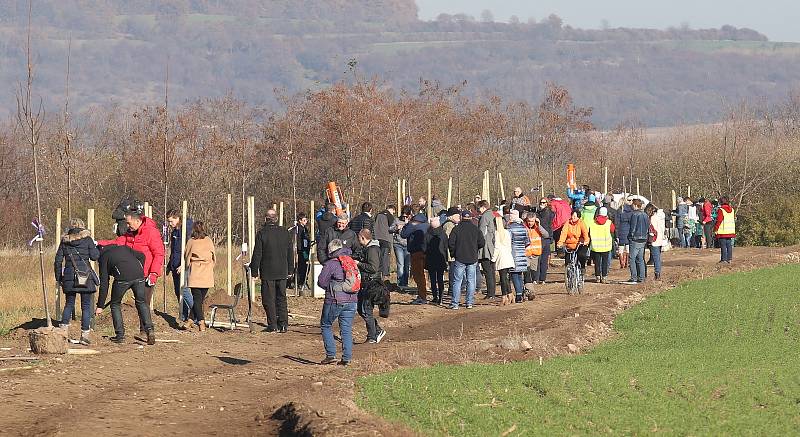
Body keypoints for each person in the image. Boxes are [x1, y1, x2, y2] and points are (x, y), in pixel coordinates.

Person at [98, 201, 164, 334]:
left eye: (128, 223)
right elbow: (117, 243)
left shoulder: (151, 232)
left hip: (146, 274)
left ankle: (145, 330)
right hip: (132, 272)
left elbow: (159, 253)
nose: (127, 226)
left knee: (143, 302)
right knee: (140, 302)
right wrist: (99, 243)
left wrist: (154, 273)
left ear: (136, 220)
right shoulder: (129, 233)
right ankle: (145, 330)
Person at [94, 245, 155, 345]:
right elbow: (142, 256)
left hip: (122, 279)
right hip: (139, 275)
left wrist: (100, 306)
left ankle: (120, 335)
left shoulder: (103, 257)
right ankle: (149, 329)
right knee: (142, 302)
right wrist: (140, 269)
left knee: (115, 304)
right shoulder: (124, 248)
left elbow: (104, 284)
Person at [54, 219, 100, 345]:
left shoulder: (65, 241)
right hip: (85, 276)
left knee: (69, 304)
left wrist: (59, 278)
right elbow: (95, 256)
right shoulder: (88, 239)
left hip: (69, 277)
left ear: (70, 227)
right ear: (82, 227)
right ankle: (84, 336)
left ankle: (62, 334)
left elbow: (58, 261)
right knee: (86, 307)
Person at [251, 209, 295, 333]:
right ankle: (283, 324)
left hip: (268, 272)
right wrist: (291, 269)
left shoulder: (262, 233)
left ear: (266, 219)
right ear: (276, 219)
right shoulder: (284, 232)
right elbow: (290, 252)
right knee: (282, 297)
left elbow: (257, 253)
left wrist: (254, 271)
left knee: (269, 299)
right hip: (282, 271)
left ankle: (273, 325)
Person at [317, 239, 358, 366]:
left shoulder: (331, 264)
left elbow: (321, 282)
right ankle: (347, 357)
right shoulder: (351, 262)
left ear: (331, 251)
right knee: (346, 328)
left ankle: (331, 355)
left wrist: (330, 287)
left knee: (326, 325)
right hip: (352, 300)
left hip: (335, 300)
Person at [448, 210, 485, 310]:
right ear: (471, 218)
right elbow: (482, 242)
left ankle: (455, 303)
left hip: (459, 257)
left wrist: (454, 253)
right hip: (472, 257)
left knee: (457, 281)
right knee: (471, 281)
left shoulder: (456, 229)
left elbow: (451, 243)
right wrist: (475, 248)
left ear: (461, 217)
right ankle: (469, 303)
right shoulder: (475, 229)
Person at [183, 221, 215, 332]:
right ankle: (191, 320)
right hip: (206, 272)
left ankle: (200, 322)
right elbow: (213, 256)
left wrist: (189, 265)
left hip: (195, 272)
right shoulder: (209, 240)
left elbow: (186, 256)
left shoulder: (191, 241)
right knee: (199, 299)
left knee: (197, 299)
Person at [355, 229, 385, 344]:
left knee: (366, 309)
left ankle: (372, 336)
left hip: (372, 283)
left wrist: (359, 264)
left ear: (363, 237)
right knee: (361, 309)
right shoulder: (367, 249)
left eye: (359, 238)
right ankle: (376, 330)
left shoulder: (372, 250)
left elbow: (373, 268)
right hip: (366, 283)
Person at [166, 210, 193, 325]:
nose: (170, 224)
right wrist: (169, 265)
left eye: (171, 221)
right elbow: (173, 251)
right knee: (178, 291)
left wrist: (184, 264)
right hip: (175, 266)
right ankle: (184, 316)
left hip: (184, 266)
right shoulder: (174, 232)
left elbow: (189, 250)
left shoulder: (185, 231)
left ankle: (196, 314)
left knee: (185, 290)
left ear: (177, 218)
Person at [401, 213, 430, 304]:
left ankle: (422, 297)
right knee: (422, 275)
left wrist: (407, 224)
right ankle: (423, 295)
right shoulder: (427, 226)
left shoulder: (414, 226)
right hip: (426, 252)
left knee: (418, 275)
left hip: (416, 252)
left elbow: (403, 234)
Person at [506, 210, 530, 303]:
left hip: (513, 253)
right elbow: (528, 242)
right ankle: (521, 292)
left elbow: (508, 241)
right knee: (519, 274)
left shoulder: (509, 228)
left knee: (514, 274)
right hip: (522, 253)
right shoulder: (524, 228)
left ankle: (519, 295)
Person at [424, 217, 448, 305]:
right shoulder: (443, 234)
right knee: (440, 278)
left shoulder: (427, 235)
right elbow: (446, 247)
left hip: (430, 259)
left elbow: (424, 248)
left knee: (433, 279)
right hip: (441, 259)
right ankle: (441, 297)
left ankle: (435, 296)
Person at [625, 199, 650, 284]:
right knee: (640, 258)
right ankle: (642, 277)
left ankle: (634, 277)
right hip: (643, 238)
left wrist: (630, 236)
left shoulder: (635, 214)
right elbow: (647, 227)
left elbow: (633, 227)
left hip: (635, 238)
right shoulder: (645, 215)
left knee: (632, 258)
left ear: (635, 205)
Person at [477, 200, 497, 299]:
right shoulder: (493, 215)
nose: (478, 210)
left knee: (487, 271)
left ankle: (490, 293)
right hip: (492, 246)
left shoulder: (484, 217)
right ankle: (492, 291)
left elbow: (481, 233)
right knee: (491, 270)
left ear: (483, 207)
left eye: (479, 208)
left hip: (485, 248)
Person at [588, 207, 615, 283]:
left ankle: (597, 277)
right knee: (605, 262)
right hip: (606, 246)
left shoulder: (592, 222)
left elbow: (589, 232)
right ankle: (604, 277)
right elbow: (613, 230)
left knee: (597, 262)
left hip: (595, 246)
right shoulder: (609, 222)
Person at [493, 215, 515, 305]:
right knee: (505, 278)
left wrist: (493, 258)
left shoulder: (497, 233)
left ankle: (504, 296)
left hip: (501, 258)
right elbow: (510, 245)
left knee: (503, 278)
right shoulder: (507, 232)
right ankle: (510, 295)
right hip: (508, 256)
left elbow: (497, 247)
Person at [390, 207, 412, 287]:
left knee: (407, 265)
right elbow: (390, 229)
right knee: (400, 264)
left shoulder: (411, 221)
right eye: (403, 216)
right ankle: (400, 283)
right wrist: (396, 228)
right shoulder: (396, 220)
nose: (404, 218)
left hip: (408, 245)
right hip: (398, 244)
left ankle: (405, 283)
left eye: (406, 216)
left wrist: (407, 224)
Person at [373, 205, 396, 281]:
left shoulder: (378, 215)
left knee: (378, 257)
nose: (393, 213)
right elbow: (393, 227)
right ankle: (385, 275)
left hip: (376, 238)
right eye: (393, 211)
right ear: (392, 209)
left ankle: (377, 274)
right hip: (386, 239)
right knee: (385, 257)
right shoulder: (389, 216)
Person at [535, 198, 554, 284]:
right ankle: (539, 278)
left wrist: (537, 217)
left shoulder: (547, 212)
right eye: (540, 202)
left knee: (542, 259)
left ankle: (540, 278)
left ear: (547, 203)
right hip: (543, 237)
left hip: (545, 237)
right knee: (540, 259)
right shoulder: (541, 212)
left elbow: (544, 223)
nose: (541, 204)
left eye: (543, 202)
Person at [646, 204, 667, 280]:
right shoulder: (661, 217)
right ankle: (657, 273)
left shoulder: (653, 218)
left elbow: (652, 230)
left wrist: (650, 239)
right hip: (660, 239)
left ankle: (657, 274)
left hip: (655, 240)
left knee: (656, 258)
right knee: (658, 257)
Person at [292, 213, 312, 290]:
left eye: (306, 220)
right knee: (302, 266)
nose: (306, 221)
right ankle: (300, 282)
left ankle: (303, 280)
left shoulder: (304, 229)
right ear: (300, 221)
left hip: (305, 250)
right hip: (302, 251)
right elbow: (299, 241)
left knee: (306, 265)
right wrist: (300, 250)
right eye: (304, 220)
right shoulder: (298, 229)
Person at [714, 196, 736, 263]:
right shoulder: (732, 209)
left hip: (722, 230)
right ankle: (729, 258)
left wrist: (715, 229)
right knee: (729, 245)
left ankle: (724, 259)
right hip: (730, 230)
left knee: (723, 246)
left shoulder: (721, 210)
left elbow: (719, 221)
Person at [617, 197, 634, 269]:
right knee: (628, 247)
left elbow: (617, 222)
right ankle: (627, 262)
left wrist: (616, 233)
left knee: (621, 247)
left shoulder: (619, 211)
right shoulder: (631, 211)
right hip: (628, 230)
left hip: (621, 230)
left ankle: (622, 263)